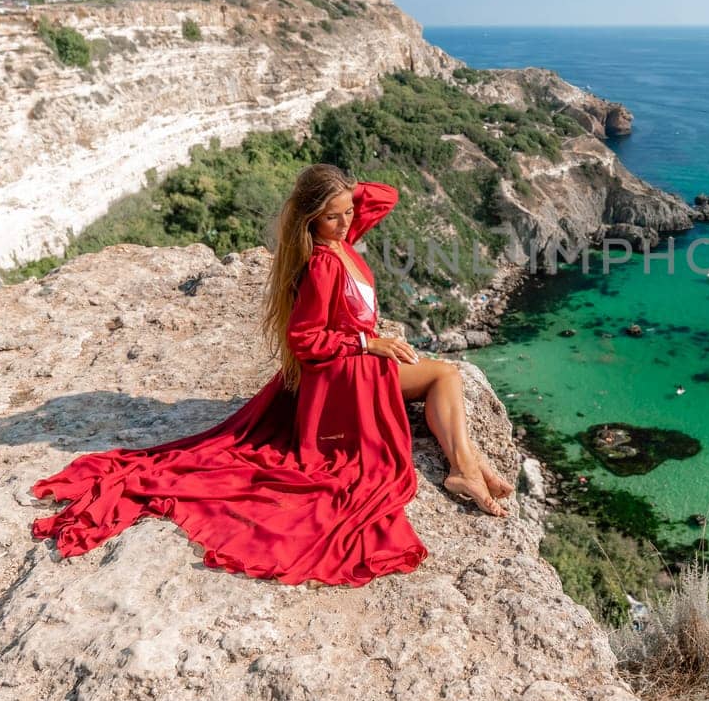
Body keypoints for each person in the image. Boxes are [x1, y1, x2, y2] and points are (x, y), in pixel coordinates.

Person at [30, 164, 513, 587]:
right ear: (311, 221)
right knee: (445, 375)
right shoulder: (324, 262)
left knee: (444, 375)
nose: (346, 222)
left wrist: (339, 192)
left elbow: (386, 196)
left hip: (355, 365)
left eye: (348, 213)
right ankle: (465, 469)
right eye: (332, 216)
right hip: (341, 375)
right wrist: (369, 342)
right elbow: (305, 342)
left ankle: (466, 464)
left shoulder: (341, 238)